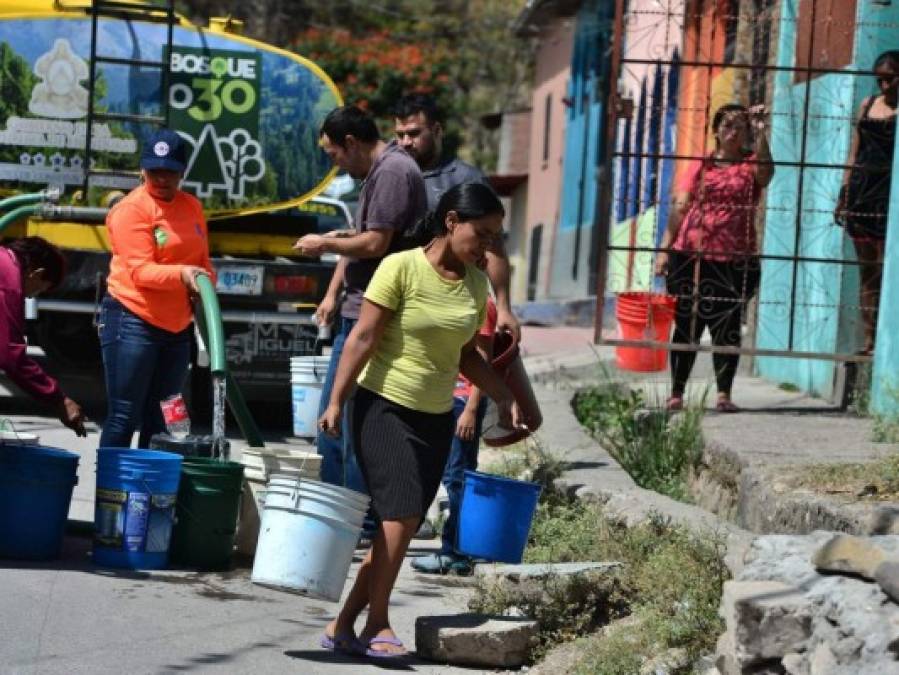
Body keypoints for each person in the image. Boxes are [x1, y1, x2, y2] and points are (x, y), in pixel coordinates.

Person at [318, 183, 517, 658]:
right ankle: (377, 625)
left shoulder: (474, 283)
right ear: (452, 222)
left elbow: (466, 355)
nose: (489, 246)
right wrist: (336, 402)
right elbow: (362, 338)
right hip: (382, 406)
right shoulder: (400, 267)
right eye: (482, 234)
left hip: (435, 418)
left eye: (496, 237)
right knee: (401, 515)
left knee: (399, 527)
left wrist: (502, 395)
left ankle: (342, 623)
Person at [294, 105, 427, 499]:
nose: (334, 164)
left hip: (372, 314)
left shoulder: (390, 172)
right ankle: (345, 511)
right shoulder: (381, 172)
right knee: (341, 420)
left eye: (333, 154)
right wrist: (333, 291)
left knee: (341, 422)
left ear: (351, 143)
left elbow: (374, 243)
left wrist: (324, 243)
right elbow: (361, 236)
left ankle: (346, 514)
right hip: (358, 307)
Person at [99, 128, 214, 448]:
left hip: (177, 328)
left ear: (182, 172)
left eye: (170, 171)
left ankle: (152, 494)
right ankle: (111, 493)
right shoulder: (131, 210)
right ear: (142, 170)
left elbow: (202, 260)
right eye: (154, 171)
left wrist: (206, 281)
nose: (162, 178)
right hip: (133, 318)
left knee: (166, 416)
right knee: (124, 413)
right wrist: (184, 275)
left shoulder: (191, 206)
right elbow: (140, 271)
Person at [655, 103, 774, 412]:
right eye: (727, 125)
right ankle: (677, 392)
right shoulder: (700, 165)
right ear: (717, 130)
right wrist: (665, 251)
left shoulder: (750, 164)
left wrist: (761, 132)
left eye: (740, 126)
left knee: (728, 325)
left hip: (734, 257)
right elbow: (681, 207)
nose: (733, 132)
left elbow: (766, 176)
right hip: (692, 255)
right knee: (687, 323)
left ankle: (724, 393)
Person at [393, 93, 520, 342]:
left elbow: (493, 247)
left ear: (437, 130)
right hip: (397, 302)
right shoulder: (390, 176)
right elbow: (368, 235)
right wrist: (334, 294)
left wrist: (504, 307)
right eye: (400, 135)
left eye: (414, 133)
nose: (406, 142)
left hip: (452, 305)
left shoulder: (465, 180)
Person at [411, 295, 496, 575]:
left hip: (462, 403)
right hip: (441, 399)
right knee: (437, 471)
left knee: (458, 477)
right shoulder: (451, 296)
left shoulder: (481, 305)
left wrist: (471, 409)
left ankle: (456, 552)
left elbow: (483, 360)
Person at [835, 50, 898, 355]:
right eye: (881, 80)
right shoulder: (868, 105)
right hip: (862, 192)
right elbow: (854, 151)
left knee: (888, 268)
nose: (886, 86)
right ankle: (869, 340)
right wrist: (844, 192)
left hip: (889, 195)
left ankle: (888, 340)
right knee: (867, 272)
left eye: (892, 79)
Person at [0, 237, 85, 436]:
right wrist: (58, 399)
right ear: (36, 274)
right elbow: (10, 355)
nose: (29, 296)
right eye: (39, 289)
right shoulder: (9, 281)